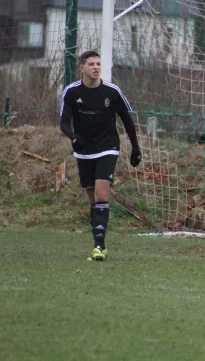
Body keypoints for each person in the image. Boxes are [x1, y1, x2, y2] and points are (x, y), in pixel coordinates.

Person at [60, 50, 142, 261]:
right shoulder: (71, 92)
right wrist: (73, 136)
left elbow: (128, 121)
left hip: (108, 147)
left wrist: (136, 148)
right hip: (84, 150)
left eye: (98, 63)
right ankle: (99, 240)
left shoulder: (112, 92)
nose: (96, 67)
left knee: (101, 194)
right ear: (82, 68)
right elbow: (63, 122)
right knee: (93, 200)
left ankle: (99, 247)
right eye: (91, 64)